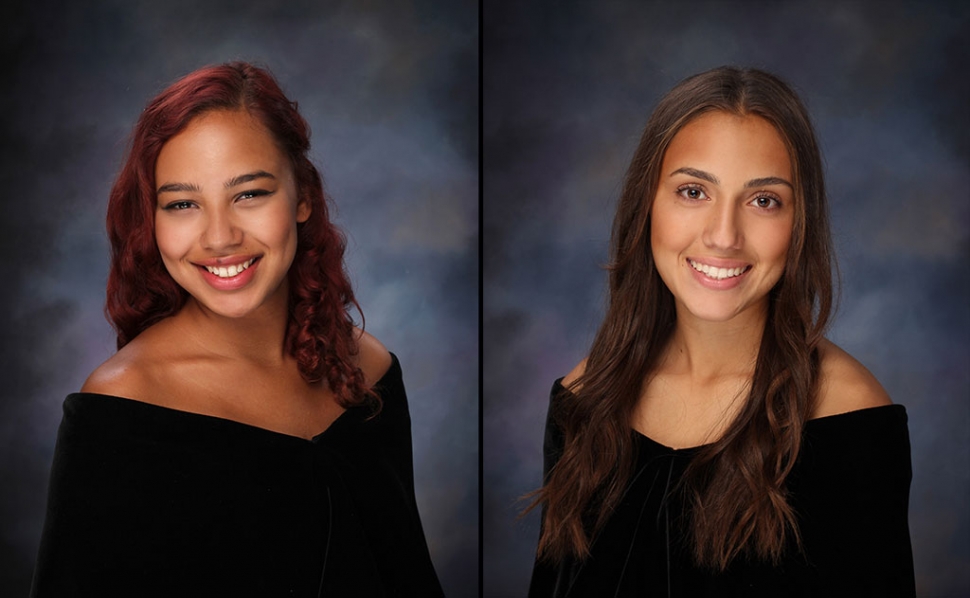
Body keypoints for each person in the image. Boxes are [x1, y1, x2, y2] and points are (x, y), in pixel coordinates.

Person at [31, 62, 443, 597]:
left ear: (302, 197)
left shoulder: (370, 369)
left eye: (249, 194)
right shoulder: (120, 410)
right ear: (152, 221)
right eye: (182, 204)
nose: (220, 237)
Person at [527, 67, 915, 597]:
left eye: (763, 200)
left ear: (800, 223)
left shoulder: (850, 418)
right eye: (693, 191)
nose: (724, 235)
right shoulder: (584, 398)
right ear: (648, 206)